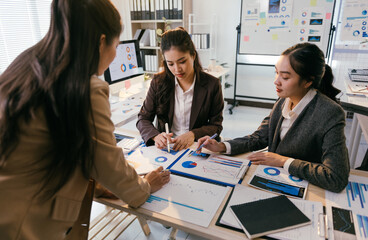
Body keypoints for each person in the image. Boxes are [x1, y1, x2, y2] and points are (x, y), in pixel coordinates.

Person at [0, 0, 170, 239]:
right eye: (116, 44)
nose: (115, 54)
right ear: (101, 42)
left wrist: (101, 184)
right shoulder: (86, 90)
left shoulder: (25, 64)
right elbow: (109, 166)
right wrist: (145, 186)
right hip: (22, 223)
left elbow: (56, 144)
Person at [197, 43, 350, 193]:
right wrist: (222, 146)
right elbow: (260, 137)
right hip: (273, 180)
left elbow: (336, 177)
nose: (276, 81)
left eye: (285, 76)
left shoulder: (330, 113)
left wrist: (284, 161)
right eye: (276, 73)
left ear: (308, 81)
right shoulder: (284, 100)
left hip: (307, 190)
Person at [137, 27, 224, 151]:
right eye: (170, 64)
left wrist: (192, 134)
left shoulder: (212, 84)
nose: (177, 70)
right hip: (167, 149)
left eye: (182, 61)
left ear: (193, 56)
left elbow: (216, 125)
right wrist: (156, 136)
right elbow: (143, 119)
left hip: (196, 147)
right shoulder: (158, 82)